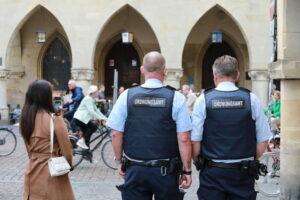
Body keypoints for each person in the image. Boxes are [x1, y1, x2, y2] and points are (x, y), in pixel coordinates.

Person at [107, 51, 192, 200]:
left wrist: (119, 161)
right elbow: (184, 138)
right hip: (166, 171)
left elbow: (116, 133)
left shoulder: (127, 95)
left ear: (142, 70)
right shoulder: (176, 97)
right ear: (164, 70)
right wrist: (187, 170)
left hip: (135, 169)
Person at [191, 55, 272, 200]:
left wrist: (198, 161)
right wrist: (250, 159)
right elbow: (263, 140)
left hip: (212, 171)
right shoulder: (251, 99)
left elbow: (195, 140)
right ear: (238, 75)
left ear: (215, 75)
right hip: (243, 171)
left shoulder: (203, 99)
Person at [20, 80, 75, 200]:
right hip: (52, 170)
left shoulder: (26, 119)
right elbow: (67, 150)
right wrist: (69, 165)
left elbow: (28, 149)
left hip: (32, 169)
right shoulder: (55, 119)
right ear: (45, 96)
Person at [73, 85, 108, 150]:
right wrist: (102, 118)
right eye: (96, 92)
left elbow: (96, 110)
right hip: (79, 119)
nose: (97, 93)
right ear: (92, 92)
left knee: (87, 136)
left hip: (83, 119)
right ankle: (82, 140)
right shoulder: (88, 99)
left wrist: (104, 117)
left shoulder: (91, 99)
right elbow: (92, 111)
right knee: (94, 126)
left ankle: (87, 154)